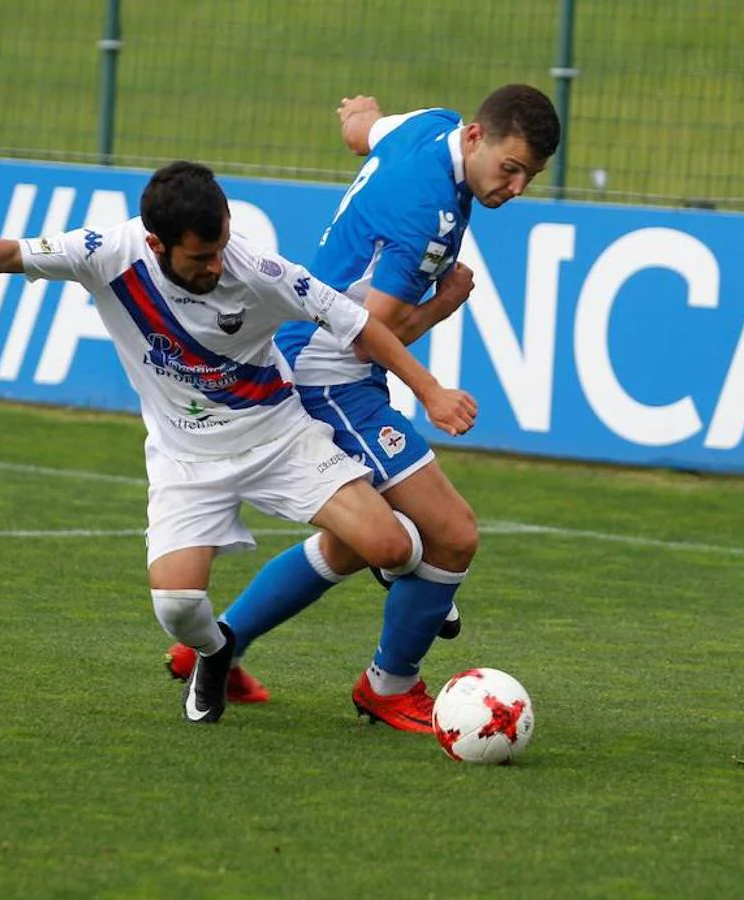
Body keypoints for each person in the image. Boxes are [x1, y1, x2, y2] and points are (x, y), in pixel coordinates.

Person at [0, 160, 477, 725]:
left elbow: (358, 325)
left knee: (393, 547)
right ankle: (216, 652)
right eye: (200, 257)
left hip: (280, 437)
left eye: (221, 246)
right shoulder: (104, 251)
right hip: (185, 459)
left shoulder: (258, 269)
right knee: (177, 606)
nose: (217, 265)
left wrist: (431, 390)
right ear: (156, 244)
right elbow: (8, 254)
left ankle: (400, 600)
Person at [167, 85, 561, 733]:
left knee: (353, 545)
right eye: (509, 168)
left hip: (312, 356)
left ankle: (210, 646)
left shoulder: (427, 126)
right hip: (330, 372)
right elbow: (368, 331)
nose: (514, 187)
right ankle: (389, 686)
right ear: (474, 138)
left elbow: (362, 130)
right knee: (452, 534)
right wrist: (443, 309)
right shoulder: (426, 221)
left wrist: (356, 113)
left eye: (528, 176)